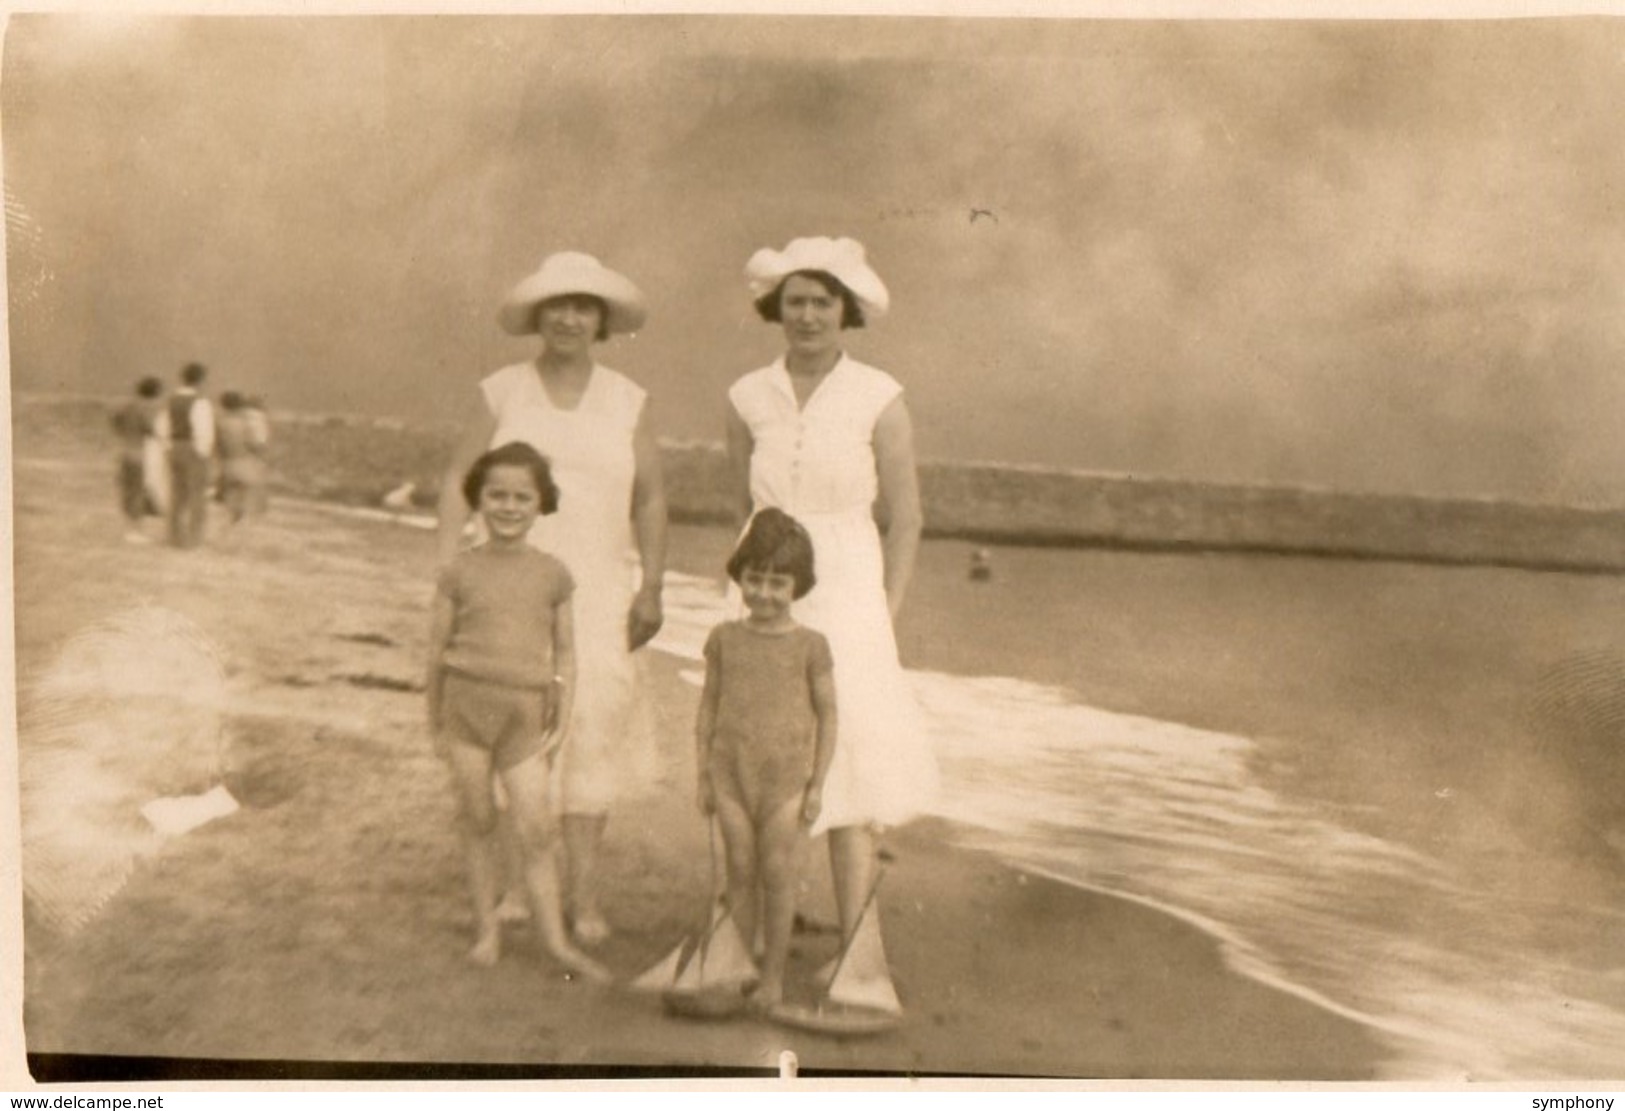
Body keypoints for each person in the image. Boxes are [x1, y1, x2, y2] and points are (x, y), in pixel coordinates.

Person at [725, 235, 940, 1003]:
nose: (808, 314)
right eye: (794, 301)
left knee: (847, 763)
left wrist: (883, 612)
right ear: (774, 310)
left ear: (845, 311)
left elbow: (907, 519)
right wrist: (750, 585)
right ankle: (748, 936)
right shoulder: (748, 395)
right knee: (753, 758)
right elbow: (740, 507)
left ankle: (860, 951)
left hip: (848, 591)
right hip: (763, 586)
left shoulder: (877, 395)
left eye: (822, 301)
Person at [437, 251, 668, 947]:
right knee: (516, 725)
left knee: (591, 725)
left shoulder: (628, 398)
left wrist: (652, 582)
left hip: (598, 588)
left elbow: (651, 495)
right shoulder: (503, 391)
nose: (570, 317)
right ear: (539, 316)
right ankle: (512, 883)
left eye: (584, 307)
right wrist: (452, 569)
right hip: (507, 584)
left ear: (601, 321)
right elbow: (456, 481)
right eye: (557, 305)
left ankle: (583, 894)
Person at [426, 441, 611, 982]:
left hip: (525, 717)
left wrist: (564, 714)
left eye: (521, 497)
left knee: (535, 830)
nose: (508, 507)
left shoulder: (554, 573)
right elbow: (435, 652)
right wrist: (433, 720)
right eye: (497, 496)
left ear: (541, 503)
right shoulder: (459, 570)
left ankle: (557, 943)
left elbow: (567, 655)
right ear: (479, 500)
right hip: (464, 713)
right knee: (478, 819)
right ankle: (488, 929)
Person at [696, 509, 837, 1009]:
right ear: (740, 577)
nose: (765, 593)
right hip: (731, 776)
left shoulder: (811, 646)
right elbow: (708, 706)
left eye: (779, 583)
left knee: (777, 872)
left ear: (798, 586)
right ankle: (738, 968)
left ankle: (773, 978)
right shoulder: (724, 639)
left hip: (785, 784)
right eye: (755, 579)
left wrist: (817, 784)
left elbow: (829, 718)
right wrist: (703, 775)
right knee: (738, 869)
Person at [155, 362, 216, 549]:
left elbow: (161, 426)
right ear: (200, 380)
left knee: (177, 494)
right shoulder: (200, 402)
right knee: (197, 495)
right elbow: (203, 430)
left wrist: (168, 446)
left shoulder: (171, 400)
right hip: (194, 449)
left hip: (174, 448)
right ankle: (193, 539)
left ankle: (174, 537)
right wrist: (203, 454)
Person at [110, 377, 165, 543]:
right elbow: (150, 429)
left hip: (123, 451)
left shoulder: (126, 405)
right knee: (137, 492)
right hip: (139, 454)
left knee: (128, 491)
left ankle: (129, 528)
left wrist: (122, 432)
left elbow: (114, 420)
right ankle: (135, 531)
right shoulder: (146, 408)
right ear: (155, 393)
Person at [216, 391, 270, 525]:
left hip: (228, 462)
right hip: (244, 461)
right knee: (247, 489)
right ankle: (245, 515)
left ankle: (234, 514)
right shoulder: (244, 423)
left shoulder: (221, 423)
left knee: (233, 491)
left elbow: (218, 445)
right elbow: (254, 443)